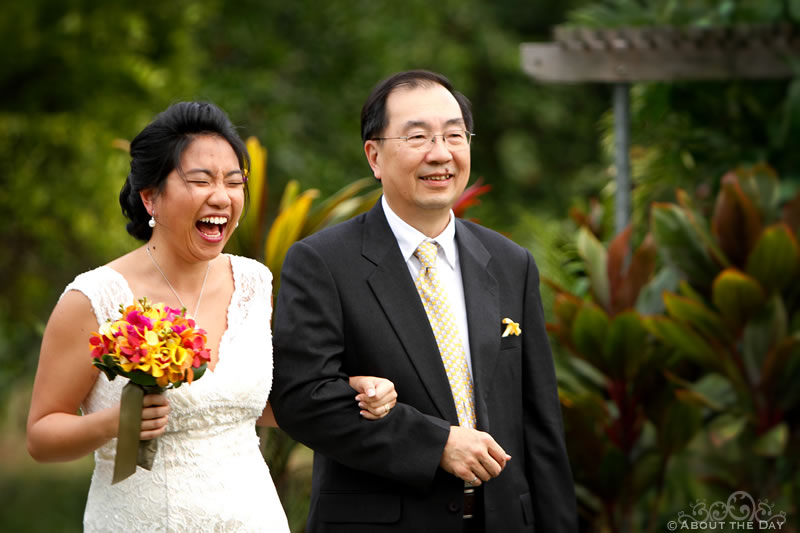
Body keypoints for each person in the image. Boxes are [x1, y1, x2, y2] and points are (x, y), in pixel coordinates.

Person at [26, 101, 398, 532]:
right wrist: (113, 424)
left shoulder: (253, 283)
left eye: (234, 181)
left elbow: (258, 403)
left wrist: (345, 390)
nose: (221, 196)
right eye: (200, 180)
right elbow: (40, 436)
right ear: (150, 197)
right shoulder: (95, 297)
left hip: (253, 518)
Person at [270, 70, 578, 532]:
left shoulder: (511, 263)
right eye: (418, 137)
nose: (441, 153)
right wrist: (435, 445)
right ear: (374, 155)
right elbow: (304, 400)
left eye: (454, 135)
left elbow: (541, 426)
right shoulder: (323, 262)